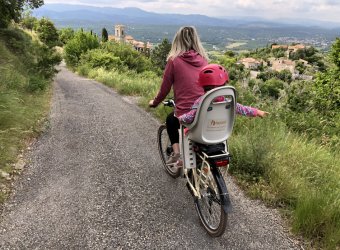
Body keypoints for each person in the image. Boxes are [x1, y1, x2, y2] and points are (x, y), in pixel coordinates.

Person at [149, 26, 209, 165]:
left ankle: (177, 154)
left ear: (177, 41)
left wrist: (155, 102)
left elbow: (164, 90)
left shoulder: (174, 61)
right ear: (196, 41)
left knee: (171, 120)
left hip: (187, 112)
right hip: (205, 109)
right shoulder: (204, 60)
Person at [178, 64, 269, 125]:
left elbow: (189, 117)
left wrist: (179, 119)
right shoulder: (227, 102)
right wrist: (257, 112)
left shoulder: (201, 102)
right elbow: (242, 109)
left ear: (202, 85)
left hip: (201, 136)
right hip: (220, 136)